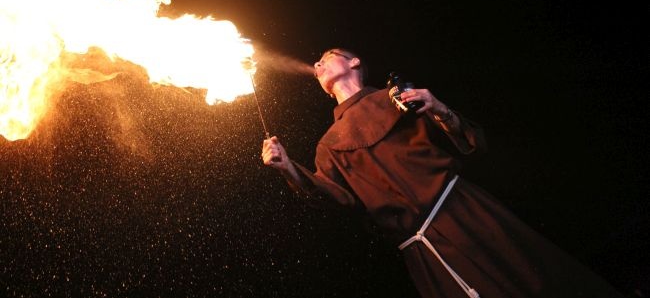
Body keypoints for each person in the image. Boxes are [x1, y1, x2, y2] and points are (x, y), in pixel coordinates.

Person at [261, 48, 623, 298]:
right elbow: (338, 201)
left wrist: (438, 108)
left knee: (537, 282)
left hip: (465, 213)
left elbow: (473, 143)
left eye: (326, 57)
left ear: (354, 62)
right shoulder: (329, 144)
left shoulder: (396, 97)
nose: (318, 63)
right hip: (425, 249)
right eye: (317, 63)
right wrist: (290, 168)